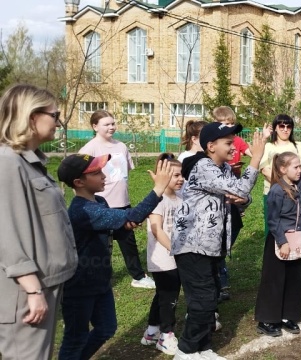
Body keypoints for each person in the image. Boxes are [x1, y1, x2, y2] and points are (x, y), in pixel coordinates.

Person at [57, 154, 174, 360]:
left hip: (100, 280)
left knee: (106, 328)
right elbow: (131, 215)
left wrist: (125, 225)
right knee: (76, 337)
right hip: (79, 286)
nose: (104, 176)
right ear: (78, 182)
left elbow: (116, 228)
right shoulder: (82, 210)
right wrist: (158, 189)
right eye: (96, 173)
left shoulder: (99, 201)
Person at [171, 122, 268, 359]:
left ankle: (202, 347)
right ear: (211, 146)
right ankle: (185, 350)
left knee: (210, 298)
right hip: (193, 246)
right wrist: (256, 158)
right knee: (202, 300)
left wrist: (242, 202)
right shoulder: (205, 167)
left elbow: (239, 195)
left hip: (211, 246)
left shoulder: (222, 167)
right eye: (228, 142)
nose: (234, 146)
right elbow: (242, 188)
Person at [0, 84, 78, 359]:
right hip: (24, 290)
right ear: (32, 117)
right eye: (55, 115)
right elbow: (6, 232)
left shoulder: (27, 161)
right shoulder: (8, 163)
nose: (58, 122)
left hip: (40, 284)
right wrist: (32, 289)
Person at [255, 124, 301, 337]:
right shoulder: (277, 191)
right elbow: (273, 219)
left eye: (299, 166)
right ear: (283, 169)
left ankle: (287, 316)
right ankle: (267, 320)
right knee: (274, 279)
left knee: (294, 279)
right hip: (279, 241)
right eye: (296, 167)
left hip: (296, 239)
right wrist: (281, 242)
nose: (300, 170)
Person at [79, 110, 155, 289]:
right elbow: (79, 177)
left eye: (113, 123)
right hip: (100, 205)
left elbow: (125, 174)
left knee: (128, 241)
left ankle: (138, 276)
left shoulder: (121, 146)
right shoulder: (89, 149)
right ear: (95, 126)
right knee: (100, 244)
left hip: (122, 202)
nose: (111, 127)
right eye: (106, 124)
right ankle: (98, 277)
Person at [140, 153, 184, 356]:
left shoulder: (180, 197)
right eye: (175, 175)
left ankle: (151, 331)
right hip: (163, 259)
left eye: (181, 174)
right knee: (170, 298)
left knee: (162, 295)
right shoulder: (157, 200)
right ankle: (166, 336)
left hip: (176, 256)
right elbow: (157, 229)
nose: (180, 178)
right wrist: (174, 249)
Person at [210, 107, 249, 301]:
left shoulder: (237, 144)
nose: (234, 148)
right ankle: (216, 282)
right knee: (216, 246)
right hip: (215, 209)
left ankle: (221, 281)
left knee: (224, 243)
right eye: (226, 124)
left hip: (232, 198)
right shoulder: (204, 163)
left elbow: (242, 191)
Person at [259, 115, 301, 236]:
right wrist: (283, 184)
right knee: (272, 228)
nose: (285, 129)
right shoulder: (269, 146)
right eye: (281, 126)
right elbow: (264, 169)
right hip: (273, 191)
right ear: (275, 128)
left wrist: (291, 186)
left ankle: (295, 252)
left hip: (295, 193)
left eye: (289, 126)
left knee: (293, 227)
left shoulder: (298, 145)